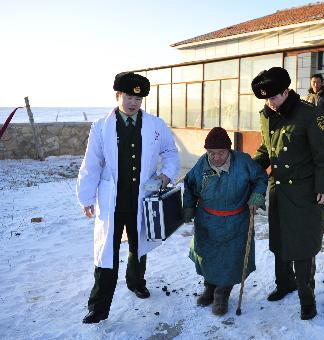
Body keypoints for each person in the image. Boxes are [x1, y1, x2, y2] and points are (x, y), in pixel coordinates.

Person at [76, 72, 180, 324]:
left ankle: (136, 283)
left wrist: (166, 175)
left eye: (139, 98)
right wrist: (86, 196)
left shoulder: (155, 125)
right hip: (112, 201)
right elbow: (92, 163)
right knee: (106, 254)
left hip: (141, 200)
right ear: (117, 95)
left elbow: (170, 151)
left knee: (138, 246)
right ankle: (98, 308)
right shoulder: (101, 126)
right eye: (129, 97)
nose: (134, 103)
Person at [251, 67, 324, 320]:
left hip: (304, 192)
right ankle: (284, 284)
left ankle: (306, 298)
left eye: (275, 97)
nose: (272, 103)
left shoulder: (309, 114)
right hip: (279, 190)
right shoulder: (266, 116)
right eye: (267, 99)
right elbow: (266, 150)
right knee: (279, 243)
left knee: (302, 247)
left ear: (287, 91)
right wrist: (249, 168)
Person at [183, 127, 268, 316]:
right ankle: (210, 288)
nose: (215, 157)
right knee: (208, 255)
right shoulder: (202, 164)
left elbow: (261, 177)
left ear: (229, 150)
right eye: (211, 153)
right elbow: (189, 184)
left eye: (221, 153)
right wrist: (188, 206)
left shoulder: (243, 161)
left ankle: (222, 293)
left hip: (236, 221)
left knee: (230, 258)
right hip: (207, 220)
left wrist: (256, 196)